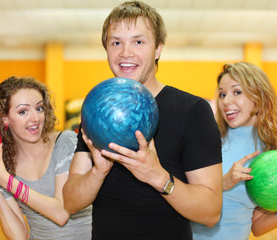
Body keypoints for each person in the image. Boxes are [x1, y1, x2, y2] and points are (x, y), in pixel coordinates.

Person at [62, 1, 223, 240]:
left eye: (138, 41)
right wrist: (98, 172)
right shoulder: (98, 109)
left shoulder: (193, 110)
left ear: (158, 48)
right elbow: (70, 202)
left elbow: (210, 212)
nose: (126, 53)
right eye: (116, 42)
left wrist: (157, 176)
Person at [0, 76, 92, 240]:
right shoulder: (2, 165)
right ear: (4, 118)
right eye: (23, 111)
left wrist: (3, 179)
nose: (35, 118)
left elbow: (61, 213)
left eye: (39, 108)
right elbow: (19, 235)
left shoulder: (65, 142)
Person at [191, 62, 277, 240]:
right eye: (222, 94)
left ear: (259, 97)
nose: (226, 101)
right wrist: (222, 183)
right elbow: (180, 194)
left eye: (237, 92)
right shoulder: (205, 139)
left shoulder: (271, 154)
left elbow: (257, 227)